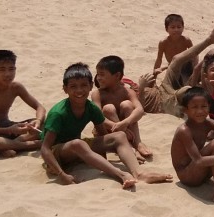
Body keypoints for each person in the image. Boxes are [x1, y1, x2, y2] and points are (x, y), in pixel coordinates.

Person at [40, 62, 172, 188]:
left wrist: (126, 153)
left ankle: (139, 174)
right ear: (65, 89)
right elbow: (45, 148)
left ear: (91, 86)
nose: (79, 90)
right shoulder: (58, 113)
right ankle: (121, 175)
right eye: (73, 86)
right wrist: (62, 175)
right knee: (78, 143)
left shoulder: (90, 107)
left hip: (78, 150)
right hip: (56, 156)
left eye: (83, 85)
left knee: (119, 136)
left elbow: (103, 135)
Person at [0, 50, 46, 157]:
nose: (8, 74)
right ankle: (28, 145)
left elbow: (40, 107)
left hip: (10, 129)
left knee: (45, 122)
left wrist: (37, 122)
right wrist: (8, 130)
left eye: (11, 69)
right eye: (2, 70)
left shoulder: (16, 87)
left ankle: (7, 146)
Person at [140, 20, 214, 117]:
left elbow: (152, 87)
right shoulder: (127, 96)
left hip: (163, 88)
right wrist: (141, 88)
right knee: (186, 90)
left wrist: (154, 74)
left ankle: (210, 40)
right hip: (164, 103)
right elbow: (139, 109)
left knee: (176, 60)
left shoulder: (130, 86)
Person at [91, 55, 152, 160]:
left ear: (117, 75)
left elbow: (140, 110)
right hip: (108, 132)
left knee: (127, 105)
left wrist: (125, 123)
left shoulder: (127, 91)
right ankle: (127, 146)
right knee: (108, 108)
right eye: (97, 74)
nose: (98, 78)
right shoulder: (97, 94)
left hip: (128, 130)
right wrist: (116, 126)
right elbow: (97, 117)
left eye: (102, 74)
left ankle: (137, 143)